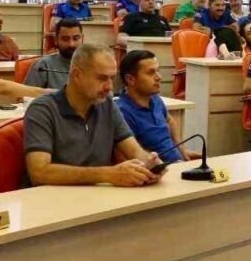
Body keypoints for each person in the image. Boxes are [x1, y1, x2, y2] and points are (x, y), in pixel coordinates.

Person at [24, 44, 163, 187]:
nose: (109, 87)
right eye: (102, 78)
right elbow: (39, 172)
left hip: (98, 195)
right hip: (54, 197)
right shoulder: (42, 109)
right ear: (77, 75)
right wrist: (108, 174)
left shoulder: (107, 105)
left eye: (111, 78)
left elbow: (134, 151)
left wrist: (150, 164)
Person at [115, 51, 200, 164]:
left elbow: (169, 121)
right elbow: (130, 156)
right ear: (130, 79)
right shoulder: (122, 112)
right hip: (159, 169)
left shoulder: (155, 99)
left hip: (178, 162)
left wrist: (182, 149)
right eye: (151, 73)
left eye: (158, 71)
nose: (159, 77)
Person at [25, 18, 83, 90]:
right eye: (65, 39)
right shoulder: (43, 66)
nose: (71, 44)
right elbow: (27, 94)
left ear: (82, 38)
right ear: (56, 40)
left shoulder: (92, 65)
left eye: (76, 39)